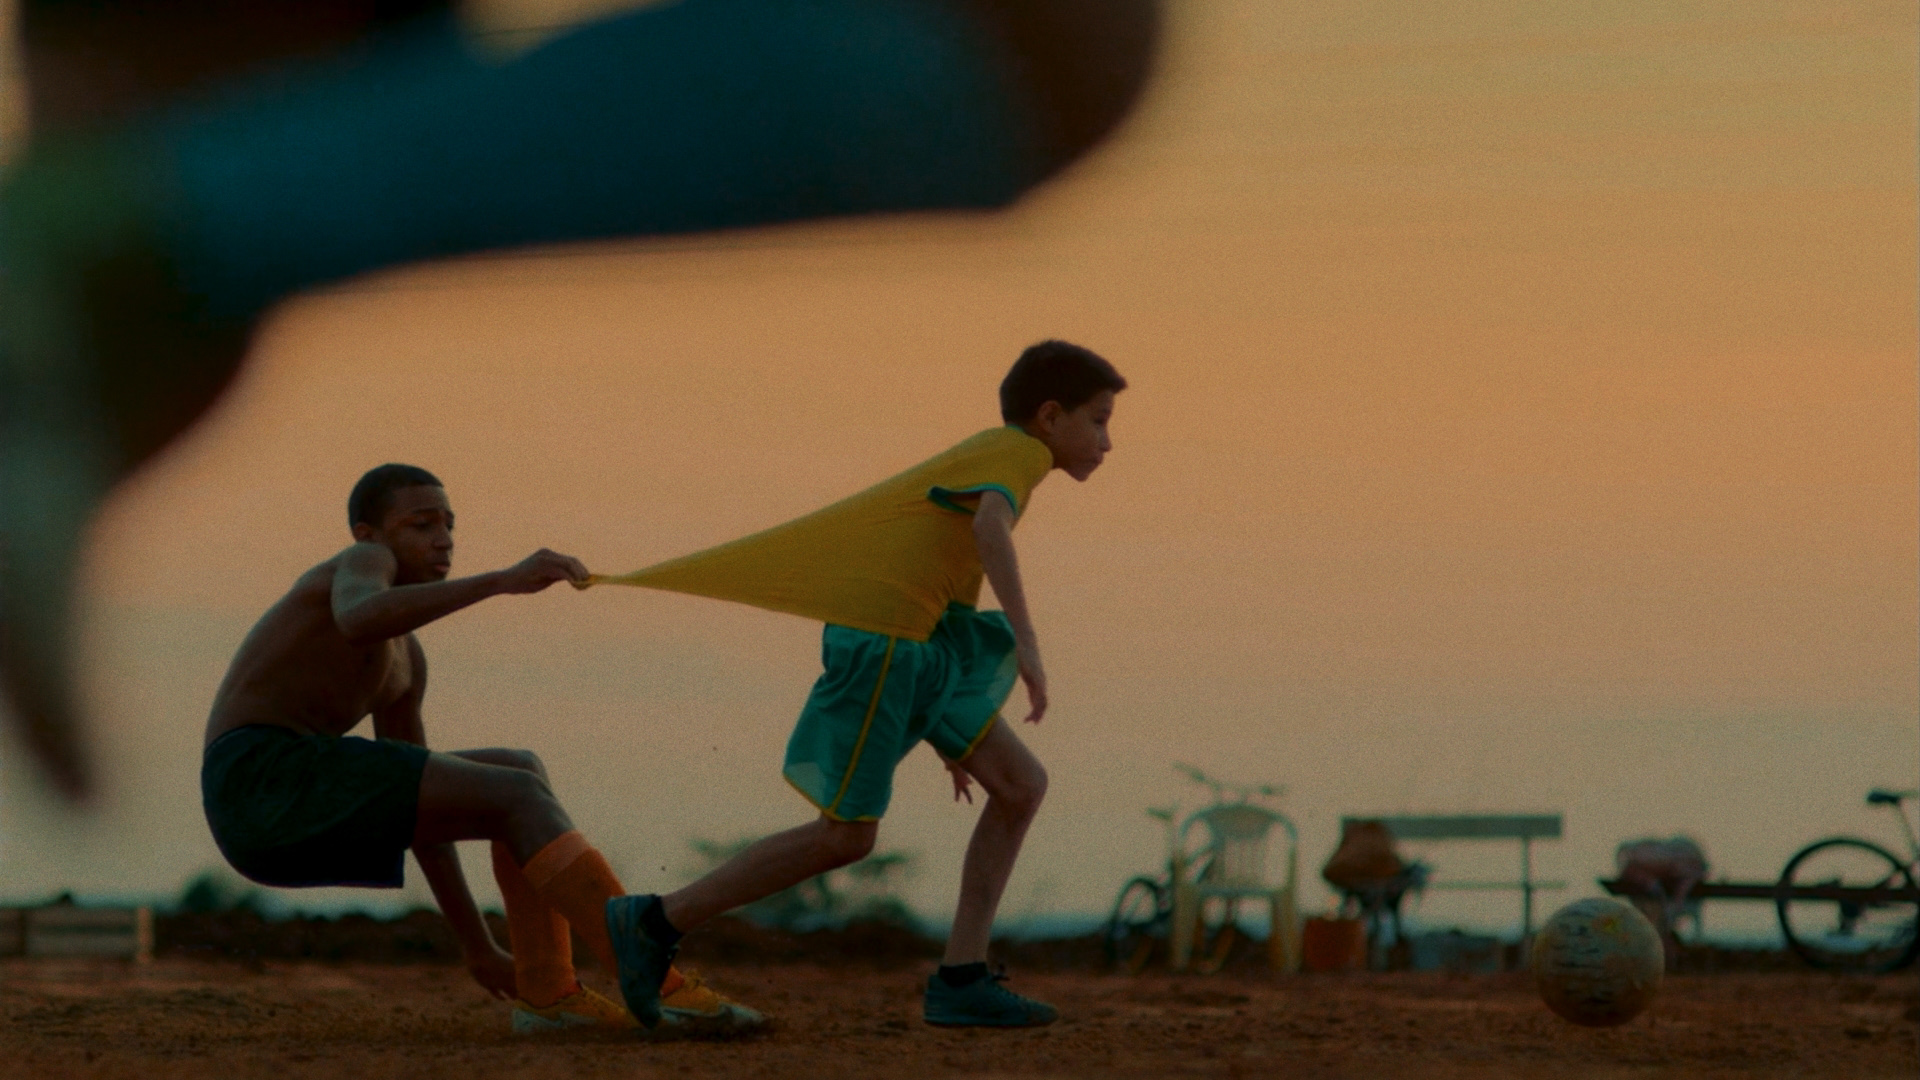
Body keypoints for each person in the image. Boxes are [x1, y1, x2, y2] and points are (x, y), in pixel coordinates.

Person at [0, 0, 1161, 800]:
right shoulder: (358, 579)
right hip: (271, 785)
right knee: (1056, 49)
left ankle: (101, 263)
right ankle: (99, 244)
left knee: (194, 162)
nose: (1107, 440)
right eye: (1099, 420)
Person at [577, 339, 1123, 1028]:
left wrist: (946, 726)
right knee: (846, 838)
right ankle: (657, 920)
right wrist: (1030, 646)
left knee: (1019, 786)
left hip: (924, 649)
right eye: (1098, 421)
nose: (1107, 442)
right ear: (1049, 416)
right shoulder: (1019, 453)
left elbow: (944, 574)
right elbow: (990, 529)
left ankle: (962, 977)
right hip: (887, 644)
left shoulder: (998, 454)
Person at [200, 462, 763, 1035]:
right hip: (258, 783)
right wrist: (500, 581)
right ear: (369, 534)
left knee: (518, 772)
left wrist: (478, 946)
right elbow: (357, 617)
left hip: (292, 803)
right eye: (421, 524)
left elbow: (424, 819)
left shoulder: (405, 662)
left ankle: (548, 993)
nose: (443, 539)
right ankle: (649, 969)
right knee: (513, 790)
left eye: (449, 524)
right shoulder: (362, 561)